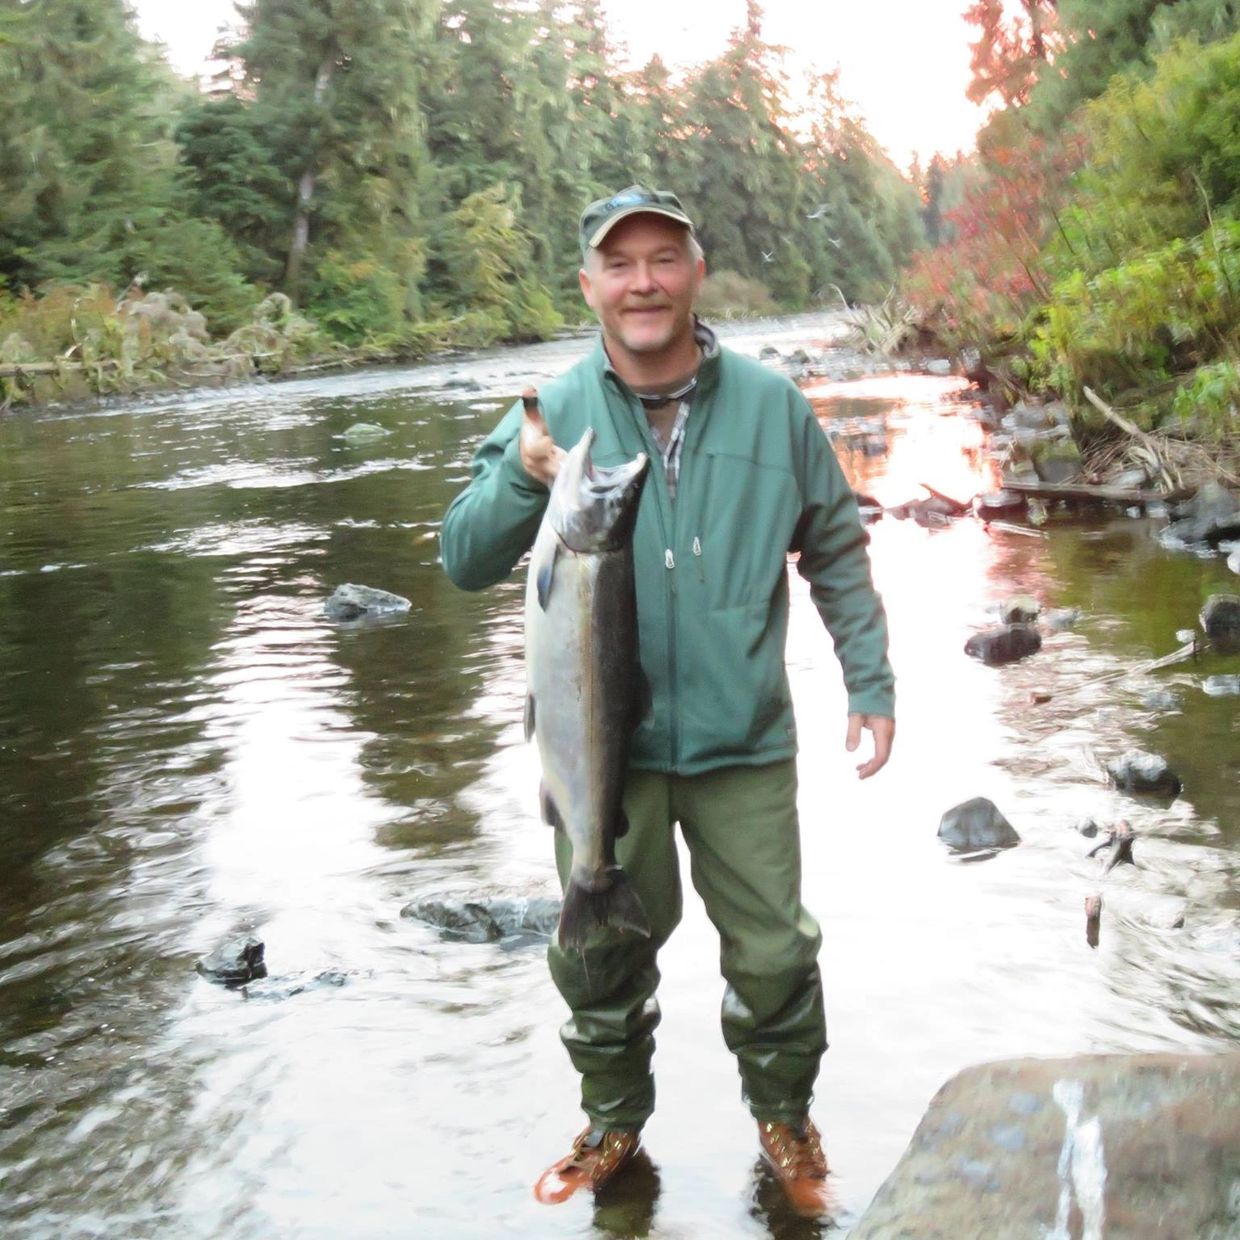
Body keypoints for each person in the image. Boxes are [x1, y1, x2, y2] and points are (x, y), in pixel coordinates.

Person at [440, 185, 895, 1218]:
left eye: (663, 259)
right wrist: (523, 475)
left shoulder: (773, 405)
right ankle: (613, 1121)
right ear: (589, 284)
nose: (642, 281)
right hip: (603, 755)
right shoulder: (549, 413)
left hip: (742, 740)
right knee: (596, 943)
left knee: (777, 950)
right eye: (620, 263)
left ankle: (784, 1116)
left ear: (695, 271)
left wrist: (868, 679)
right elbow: (463, 557)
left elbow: (833, 544)